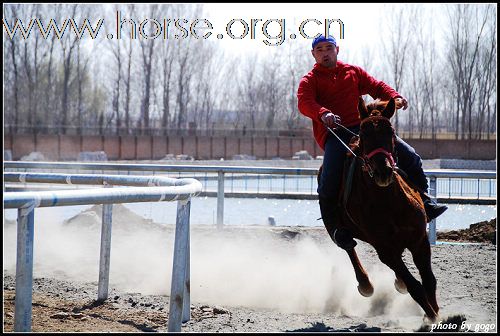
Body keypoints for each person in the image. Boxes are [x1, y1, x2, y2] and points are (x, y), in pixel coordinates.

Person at [297, 35, 448, 250]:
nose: (325, 52)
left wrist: (395, 96)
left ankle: (425, 201)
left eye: (328, 48)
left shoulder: (353, 72)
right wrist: (322, 113)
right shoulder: (309, 80)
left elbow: (376, 86)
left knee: (410, 155)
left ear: (337, 50)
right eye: (319, 49)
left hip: (366, 129)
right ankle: (336, 227)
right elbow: (304, 102)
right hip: (337, 133)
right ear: (313, 54)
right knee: (328, 177)